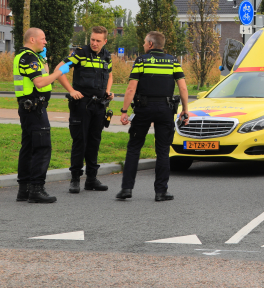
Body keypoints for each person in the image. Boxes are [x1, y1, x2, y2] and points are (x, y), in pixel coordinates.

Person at [116, 31, 189, 202]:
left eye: (144, 42)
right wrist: (185, 110)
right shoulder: (173, 61)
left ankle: (126, 189)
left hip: (143, 108)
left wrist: (124, 110)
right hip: (165, 109)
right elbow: (183, 88)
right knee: (163, 150)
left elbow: (131, 89)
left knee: (134, 148)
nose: (143, 45)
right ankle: (161, 192)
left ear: (150, 44)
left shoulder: (141, 61)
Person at [15, 28, 71, 203]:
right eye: (43, 39)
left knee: (29, 147)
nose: (45, 41)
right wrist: (60, 72)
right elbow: (40, 82)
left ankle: (24, 189)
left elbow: (43, 74)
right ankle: (36, 189)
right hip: (34, 108)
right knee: (42, 147)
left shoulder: (32, 57)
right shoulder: (28, 58)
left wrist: (44, 58)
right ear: (32, 39)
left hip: (31, 108)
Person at [56, 26, 114, 194]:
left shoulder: (107, 55)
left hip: (99, 106)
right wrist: (71, 91)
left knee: (94, 141)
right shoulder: (80, 53)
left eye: (98, 40)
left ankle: (91, 179)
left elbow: (109, 74)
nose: (94, 43)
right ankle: (75, 179)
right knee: (80, 141)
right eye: (92, 40)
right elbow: (59, 70)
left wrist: (108, 91)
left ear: (105, 41)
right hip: (82, 105)